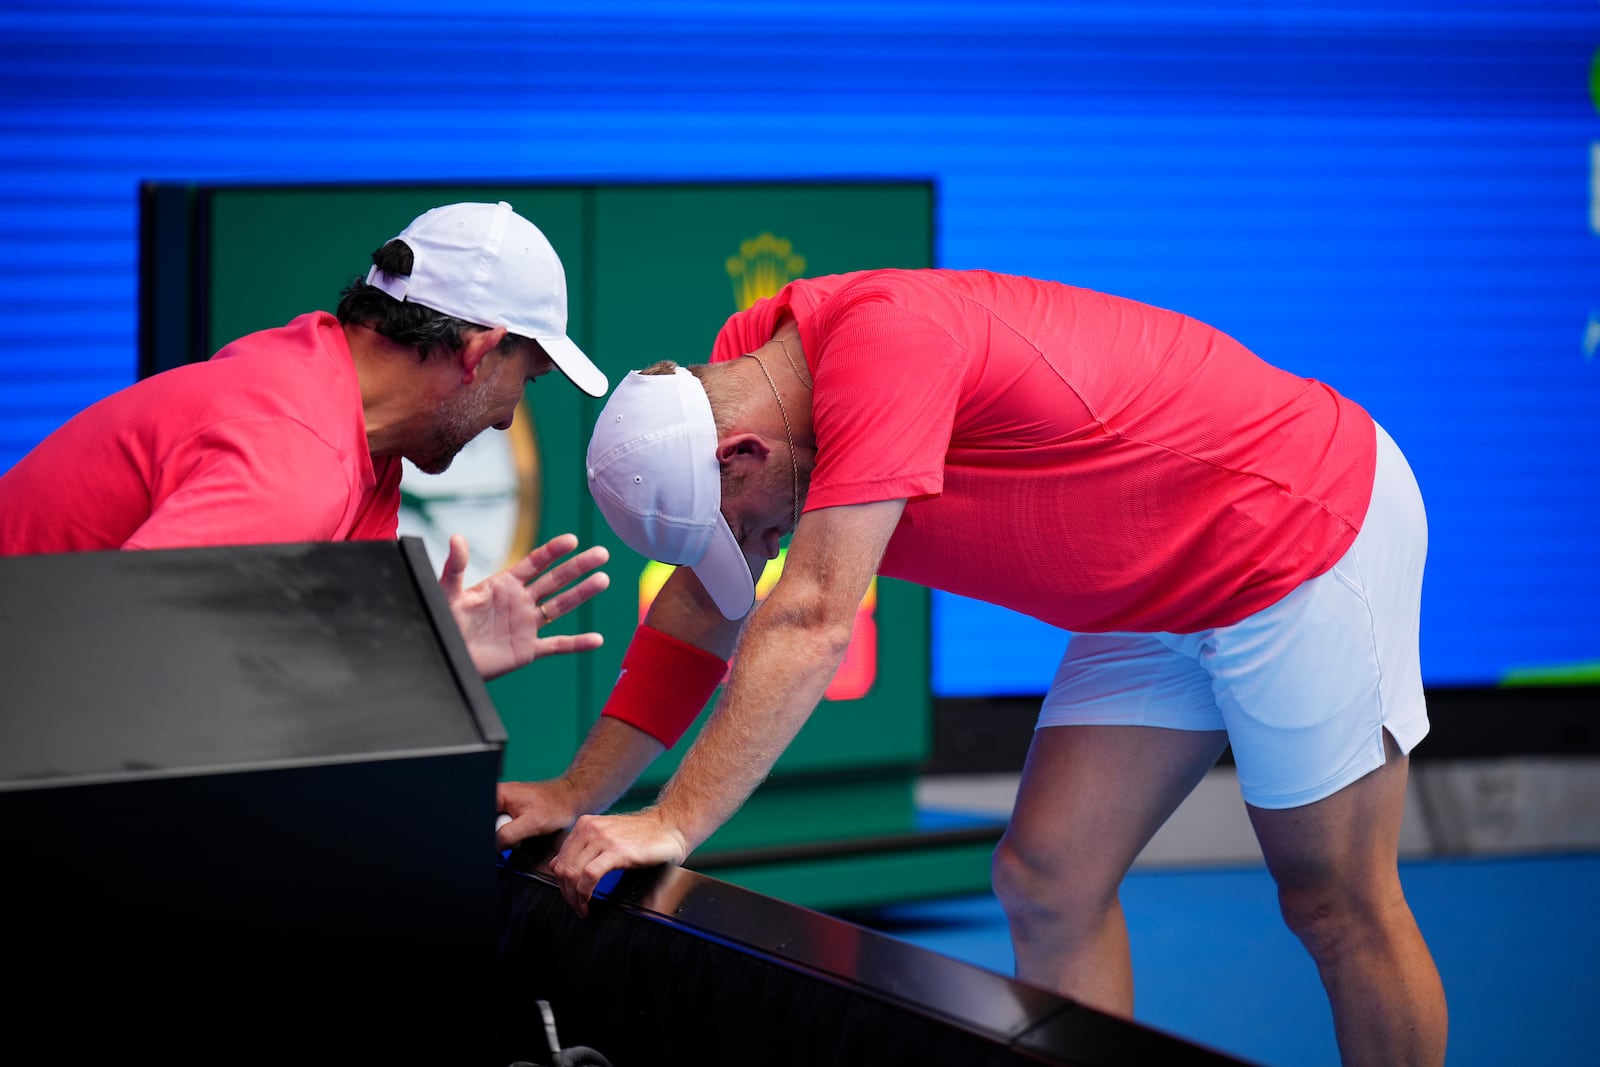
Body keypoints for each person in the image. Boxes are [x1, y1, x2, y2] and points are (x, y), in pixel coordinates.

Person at [498, 267, 1448, 1065]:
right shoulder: (751, 376)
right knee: (1047, 878)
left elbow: (815, 614)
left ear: (741, 453)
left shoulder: (882, 348)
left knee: (1335, 900)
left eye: (742, 528)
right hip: (1155, 584)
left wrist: (671, 820)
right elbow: (707, 605)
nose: (750, 550)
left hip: (1299, 528)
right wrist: (579, 791)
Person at [0, 201, 612, 681]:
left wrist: (427, 657)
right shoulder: (297, 452)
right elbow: (132, 667)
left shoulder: (351, 423)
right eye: (526, 380)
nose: (509, 418)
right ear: (480, 351)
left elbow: (301, 665)